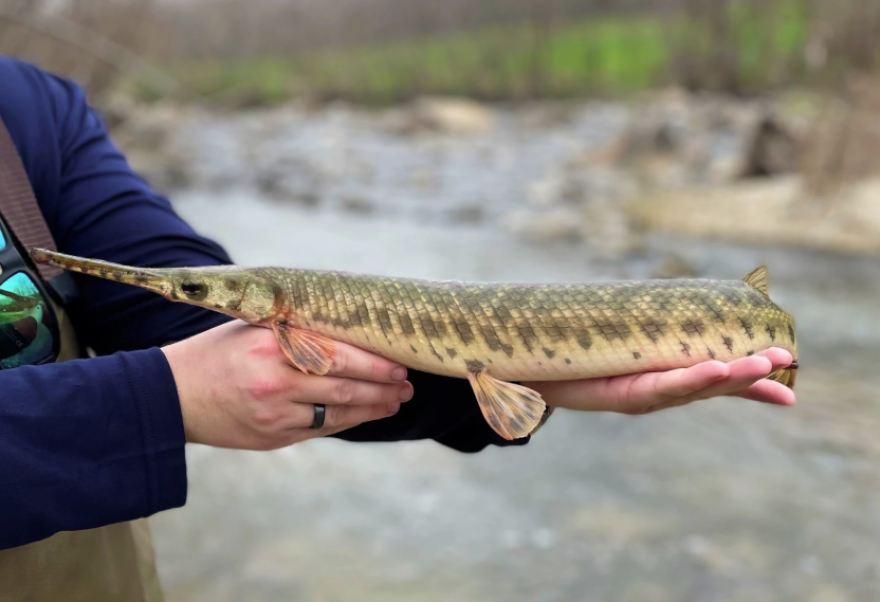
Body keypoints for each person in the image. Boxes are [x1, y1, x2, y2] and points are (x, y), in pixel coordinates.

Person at [0, 56, 795, 600]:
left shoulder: (32, 114)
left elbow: (164, 306)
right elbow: (178, 355)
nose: (198, 297)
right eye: (204, 295)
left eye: (212, 295)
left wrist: (533, 380)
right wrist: (158, 401)